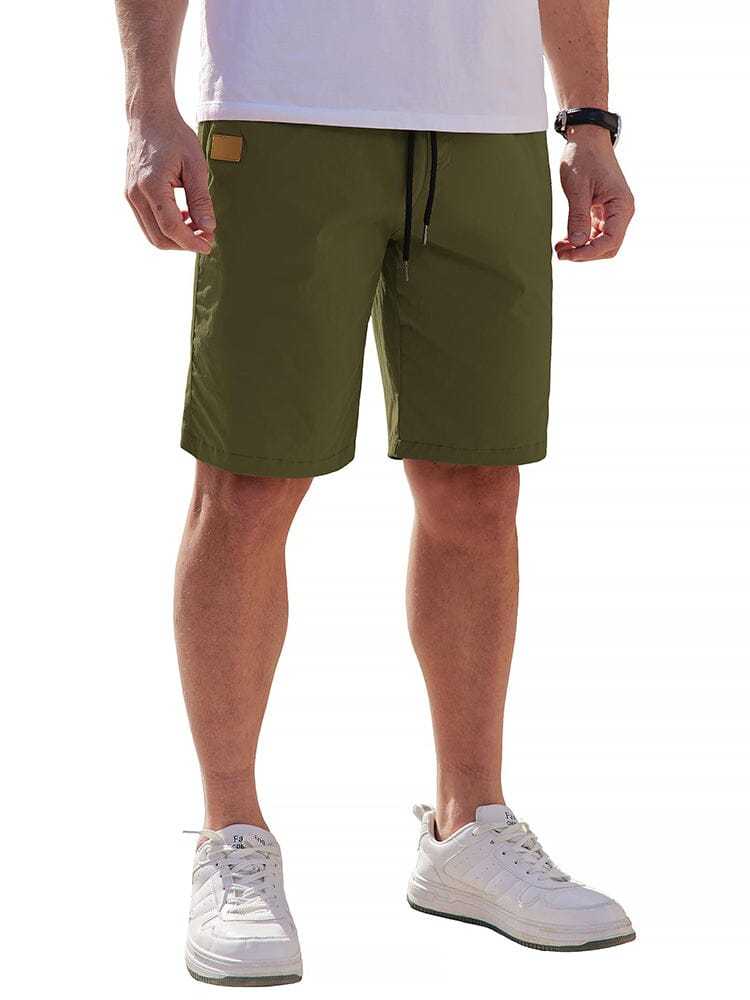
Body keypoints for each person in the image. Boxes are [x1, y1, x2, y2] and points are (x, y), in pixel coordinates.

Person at [116, 0, 636, 984]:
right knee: (250, 481)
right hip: (282, 108)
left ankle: (467, 829)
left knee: (479, 484)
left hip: (486, 125)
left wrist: (589, 120)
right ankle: (230, 835)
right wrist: (149, 105)